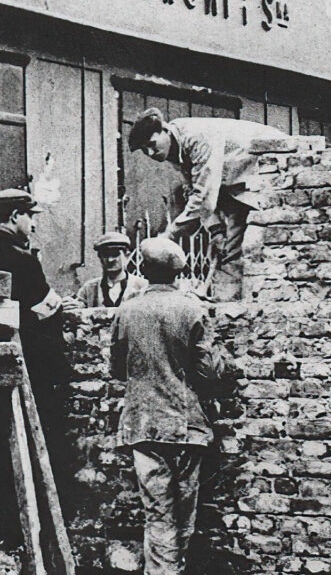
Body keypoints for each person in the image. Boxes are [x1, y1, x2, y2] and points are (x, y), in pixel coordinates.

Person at [0, 188, 71, 545]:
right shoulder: (22, 259)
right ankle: (30, 536)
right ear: (14, 217)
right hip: (26, 371)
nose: (33, 224)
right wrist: (59, 309)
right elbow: (46, 310)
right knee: (33, 451)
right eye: (30, 216)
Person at [110, 237, 225, 575]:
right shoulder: (191, 309)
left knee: (157, 516)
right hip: (186, 428)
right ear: (179, 273)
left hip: (143, 426)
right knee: (184, 516)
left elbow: (117, 370)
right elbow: (209, 372)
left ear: (143, 270)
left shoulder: (126, 310)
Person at [127, 108, 287, 300]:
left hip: (273, 164)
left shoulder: (196, 137)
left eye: (152, 144)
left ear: (165, 130)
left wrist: (170, 234)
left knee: (260, 244)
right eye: (145, 150)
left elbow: (204, 195)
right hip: (237, 182)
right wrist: (216, 230)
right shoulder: (174, 149)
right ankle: (228, 306)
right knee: (227, 249)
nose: (151, 153)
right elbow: (197, 188)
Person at [65, 231, 148, 309]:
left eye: (115, 255)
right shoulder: (89, 289)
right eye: (105, 255)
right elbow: (78, 311)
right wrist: (72, 305)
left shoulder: (142, 286)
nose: (110, 260)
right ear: (100, 258)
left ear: (126, 256)